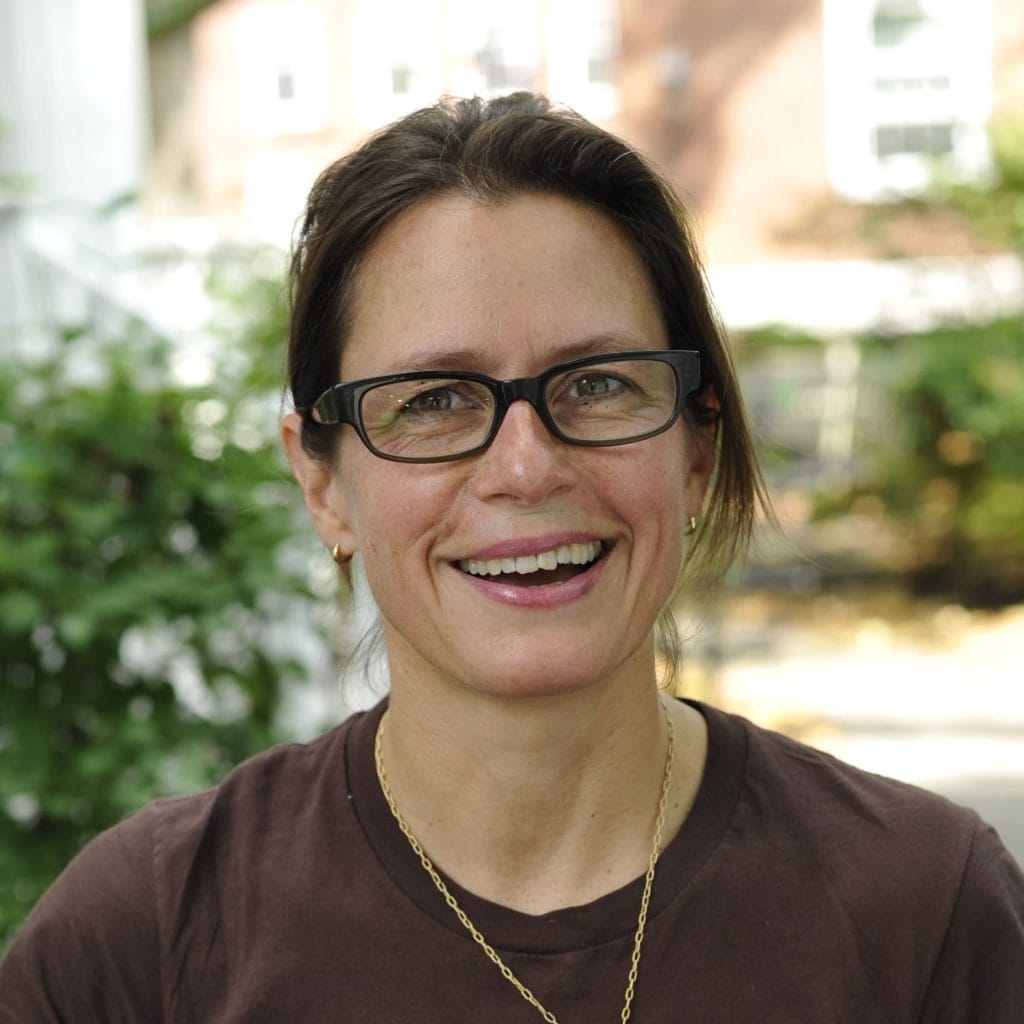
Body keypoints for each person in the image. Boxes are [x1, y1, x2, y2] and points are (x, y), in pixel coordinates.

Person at [1, 92, 1022, 1023]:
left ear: (696, 449)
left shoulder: (924, 912)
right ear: (322, 484)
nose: (525, 468)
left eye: (598, 383)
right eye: (435, 400)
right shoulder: (144, 942)